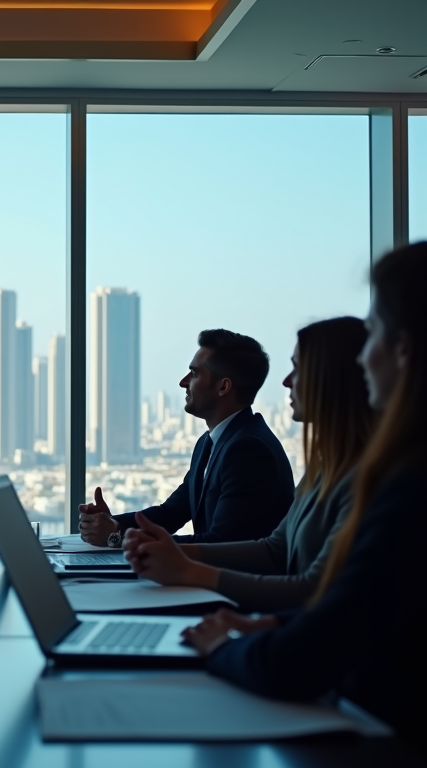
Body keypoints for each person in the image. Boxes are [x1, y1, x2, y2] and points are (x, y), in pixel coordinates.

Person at [182, 243, 427, 747]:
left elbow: (312, 645)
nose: (364, 356)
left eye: (374, 333)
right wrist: (273, 623)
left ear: (402, 349)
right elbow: (357, 608)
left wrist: (221, 644)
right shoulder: (349, 471)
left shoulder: (402, 486)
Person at [123, 317, 374, 611]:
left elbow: (311, 589)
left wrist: (183, 566)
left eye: (298, 368)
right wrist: (150, 544)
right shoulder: (325, 465)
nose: (286, 381)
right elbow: (275, 549)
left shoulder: (252, 449)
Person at [80, 329, 294, 546]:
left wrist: (118, 536)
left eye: (194, 373)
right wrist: (110, 524)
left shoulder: (248, 450)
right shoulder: (210, 443)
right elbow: (171, 513)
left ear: (223, 387)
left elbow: (221, 544)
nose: (183, 382)